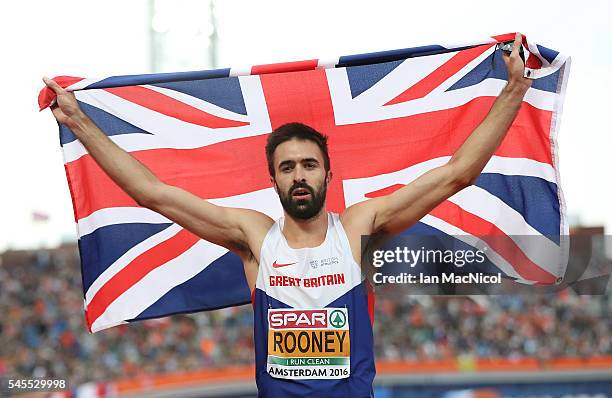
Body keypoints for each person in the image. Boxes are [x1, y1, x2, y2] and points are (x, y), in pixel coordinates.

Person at [44, 33, 532, 397]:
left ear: (327, 174)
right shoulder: (254, 237)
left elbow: (457, 174)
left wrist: (513, 90)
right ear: (274, 179)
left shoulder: (359, 227)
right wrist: (80, 121)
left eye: (309, 165)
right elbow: (152, 193)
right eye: (287, 167)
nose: (299, 175)